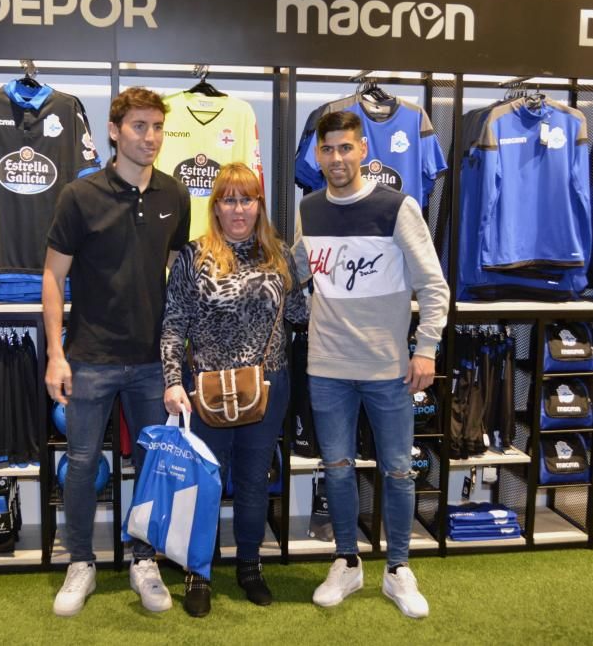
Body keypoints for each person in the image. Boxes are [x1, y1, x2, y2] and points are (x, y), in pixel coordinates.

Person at [292, 110, 449, 619]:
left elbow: (434, 284)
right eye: (327, 150)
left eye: (345, 148)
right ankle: (347, 560)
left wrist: (426, 347)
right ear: (317, 155)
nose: (336, 159)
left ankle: (399, 568)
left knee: (399, 471)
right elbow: (293, 268)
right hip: (327, 367)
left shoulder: (397, 207)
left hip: (388, 367)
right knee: (336, 469)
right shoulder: (309, 210)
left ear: (363, 151)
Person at [44, 87, 191, 618]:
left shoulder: (175, 195)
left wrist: (178, 354)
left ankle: (143, 559)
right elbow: (53, 277)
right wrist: (56, 355)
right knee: (81, 463)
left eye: (156, 127)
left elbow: (178, 277)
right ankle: (80, 561)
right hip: (89, 357)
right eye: (138, 127)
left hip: (152, 363)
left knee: (152, 464)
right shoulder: (78, 196)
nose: (149, 137)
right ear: (114, 130)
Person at [161, 162, 308, 618]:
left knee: (252, 483)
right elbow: (173, 324)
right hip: (207, 390)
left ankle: (250, 566)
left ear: (259, 205)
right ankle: (198, 573)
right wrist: (171, 381)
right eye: (229, 199)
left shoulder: (279, 254)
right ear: (216, 206)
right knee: (204, 486)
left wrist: (309, 273)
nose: (239, 208)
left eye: (247, 199)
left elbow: (300, 317)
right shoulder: (193, 255)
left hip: (268, 386)